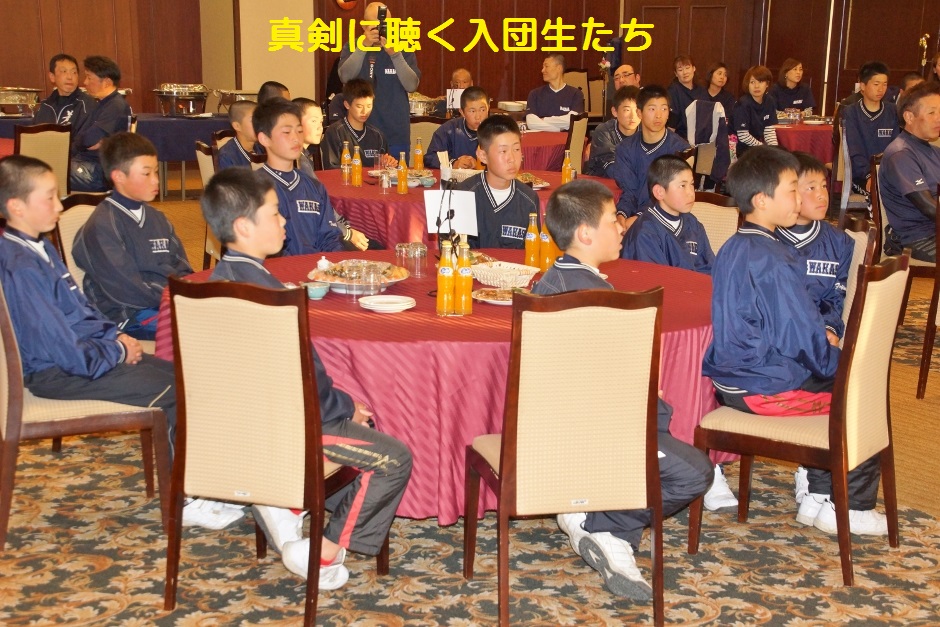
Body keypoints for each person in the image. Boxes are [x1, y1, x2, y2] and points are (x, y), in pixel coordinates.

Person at [200, 167, 412, 588]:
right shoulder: (271, 296)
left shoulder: (220, 279)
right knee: (393, 458)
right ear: (243, 226)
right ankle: (325, 548)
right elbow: (305, 382)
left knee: (359, 429)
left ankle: (291, 505)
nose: (284, 221)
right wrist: (347, 408)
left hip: (241, 420)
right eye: (274, 213)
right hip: (286, 427)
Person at [534, 179, 713, 600]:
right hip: (598, 434)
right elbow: (619, 391)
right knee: (695, 473)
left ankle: (601, 523)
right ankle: (600, 525)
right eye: (612, 221)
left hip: (555, 425)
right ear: (585, 234)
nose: (621, 228)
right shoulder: (601, 297)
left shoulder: (549, 280)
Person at [703, 146, 887, 535]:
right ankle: (851, 508)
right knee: (860, 392)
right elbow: (800, 338)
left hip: (735, 377)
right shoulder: (773, 258)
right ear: (761, 200)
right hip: (763, 387)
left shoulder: (735, 245)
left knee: (835, 376)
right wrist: (841, 364)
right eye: (791, 191)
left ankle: (819, 496)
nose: (799, 199)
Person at [71, 133, 192, 339]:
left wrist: (188, 295)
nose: (156, 180)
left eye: (156, 172)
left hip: (165, 303)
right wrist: (173, 295)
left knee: (223, 317)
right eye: (146, 174)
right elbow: (126, 289)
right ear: (118, 176)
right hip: (128, 315)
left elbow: (183, 269)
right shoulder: (103, 225)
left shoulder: (158, 218)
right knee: (199, 331)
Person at [776, 151, 852, 344]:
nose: (822, 195)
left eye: (824, 186)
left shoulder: (839, 242)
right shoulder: (765, 240)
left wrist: (829, 327)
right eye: (811, 188)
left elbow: (837, 294)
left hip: (814, 336)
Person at [254, 99, 344, 255]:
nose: (296, 138)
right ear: (264, 138)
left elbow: (330, 238)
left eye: (299, 131)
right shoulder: (253, 188)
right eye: (287, 132)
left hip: (317, 267)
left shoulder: (315, 187)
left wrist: (336, 263)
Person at [338, 2, 421, 161]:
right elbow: (345, 77)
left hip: (396, 133)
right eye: (375, 25)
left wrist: (395, 54)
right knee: (359, 175)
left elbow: (411, 85)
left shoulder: (402, 46)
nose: (381, 29)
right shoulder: (353, 45)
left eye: (386, 25)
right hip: (360, 132)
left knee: (398, 175)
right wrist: (363, 47)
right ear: (364, 26)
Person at [297, 95, 373, 251]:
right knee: (374, 249)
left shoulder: (303, 157)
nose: (320, 127)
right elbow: (316, 208)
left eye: (321, 122)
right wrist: (348, 233)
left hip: (326, 227)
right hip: (317, 238)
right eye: (313, 121)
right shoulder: (298, 162)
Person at [455, 115, 540, 248]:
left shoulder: (529, 199)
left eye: (516, 149)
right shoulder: (464, 194)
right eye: (503, 151)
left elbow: (533, 251)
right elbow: (452, 251)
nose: (512, 159)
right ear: (483, 156)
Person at [612, 85, 690, 228]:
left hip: (667, 220)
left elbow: (669, 197)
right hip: (634, 218)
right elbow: (629, 191)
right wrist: (622, 215)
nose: (659, 115)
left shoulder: (680, 150)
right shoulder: (625, 149)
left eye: (664, 109)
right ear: (639, 112)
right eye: (652, 109)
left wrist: (637, 219)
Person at [621, 155, 714, 274]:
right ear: (659, 192)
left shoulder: (693, 223)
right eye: (682, 186)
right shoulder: (645, 233)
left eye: (692, 184)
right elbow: (655, 279)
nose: (691, 193)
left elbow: (710, 268)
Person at [879, 80, 940, 262]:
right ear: (909, 117)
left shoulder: (934, 151)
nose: (938, 118)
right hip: (916, 239)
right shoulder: (901, 154)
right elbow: (929, 208)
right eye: (932, 113)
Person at [69, 56, 132, 192]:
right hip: (88, 164)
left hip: (99, 172)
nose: (85, 82)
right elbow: (86, 138)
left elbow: (89, 138)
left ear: (107, 82)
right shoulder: (103, 104)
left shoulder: (115, 106)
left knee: (46, 172)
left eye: (89, 77)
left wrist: (82, 142)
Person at [841, 61, 899, 195]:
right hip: (862, 176)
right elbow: (854, 150)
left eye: (885, 84)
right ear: (862, 86)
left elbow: (896, 148)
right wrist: (869, 175)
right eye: (876, 84)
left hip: (888, 174)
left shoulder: (892, 110)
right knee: (882, 193)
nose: (881, 89)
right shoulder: (851, 112)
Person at [321, 79, 396, 170]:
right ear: (347, 105)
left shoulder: (378, 136)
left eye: (369, 106)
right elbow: (331, 169)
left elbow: (384, 168)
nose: (365, 111)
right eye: (359, 106)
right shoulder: (335, 132)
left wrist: (388, 162)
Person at [425, 86, 489, 169]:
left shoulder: (497, 131)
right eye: (472, 111)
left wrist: (479, 164)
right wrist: (453, 163)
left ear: (488, 107)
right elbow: (430, 157)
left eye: (482, 110)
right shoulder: (449, 129)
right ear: (462, 112)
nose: (478, 116)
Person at [583, 86, 640, 178]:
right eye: (627, 110)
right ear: (614, 112)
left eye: (637, 110)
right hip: (601, 182)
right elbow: (613, 168)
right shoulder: (604, 132)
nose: (633, 116)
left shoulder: (647, 132)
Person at [33, 53, 97, 127]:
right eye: (64, 71)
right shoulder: (45, 105)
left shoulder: (87, 105)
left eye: (74, 72)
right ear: (52, 77)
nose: (69, 77)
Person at [525, 54, 584, 130]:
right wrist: (558, 129)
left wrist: (544, 119)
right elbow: (531, 123)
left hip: (566, 138)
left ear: (559, 68)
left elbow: (572, 120)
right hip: (541, 137)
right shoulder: (534, 94)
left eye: (546, 66)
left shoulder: (576, 94)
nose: (542, 70)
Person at [732, 65, 778, 157]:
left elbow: (769, 130)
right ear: (747, 85)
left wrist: (774, 150)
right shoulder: (743, 104)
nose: (756, 86)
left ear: (767, 84)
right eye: (752, 82)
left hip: (756, 146)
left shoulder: (769, 101)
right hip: (736, 146)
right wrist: (764, 148)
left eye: (760, 82)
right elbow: (743, 136)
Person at [667, 55, 708, 139]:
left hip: (701, 136)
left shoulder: (702, 90)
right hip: (680, 137)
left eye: (687, 68)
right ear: (676, 74)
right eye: (680, 70)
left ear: (694, 68)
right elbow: (672, 122)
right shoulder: (673, 90)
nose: (685, 72)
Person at [216, 100, 258, 170]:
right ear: (237, 126)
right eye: (253, 120)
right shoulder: (227, 156)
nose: (259, 124)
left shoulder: (262, 148)